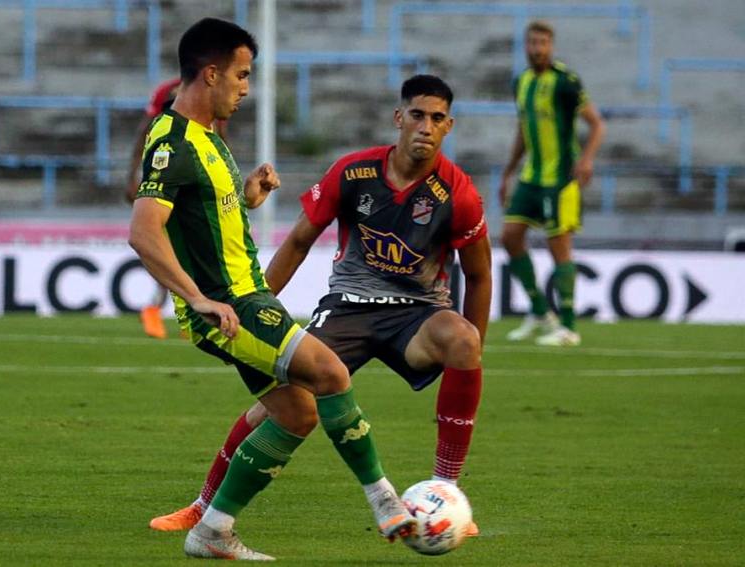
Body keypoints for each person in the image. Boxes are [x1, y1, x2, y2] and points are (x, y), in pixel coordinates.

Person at [148, 74, 492, 539]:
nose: (425, 127)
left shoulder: (459, 193)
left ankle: (447, 494)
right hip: (348, 307)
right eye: (417, 115)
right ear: (399, 118)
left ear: (448, 126)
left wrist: (476, 347)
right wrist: (256, 310)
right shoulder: (353, 173)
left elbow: (479, 274)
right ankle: (203, 505)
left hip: (418, 314)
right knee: (282, 405)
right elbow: (298, 241)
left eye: (436, 118)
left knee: (463, 341)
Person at [129, 18, 416, 560]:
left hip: (246, 296)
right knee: (331, 373)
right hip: (232, 306)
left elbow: (199, 216)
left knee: (297, 413)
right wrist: (197, 299)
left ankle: (212, 530)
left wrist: (246, 196)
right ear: (210, 74)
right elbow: (144, 233)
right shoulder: (172, 141)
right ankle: (386, 502)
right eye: (241, 75)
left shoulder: (209, 138)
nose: (245, 87)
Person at [497, 20, 605, 347]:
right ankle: (541, 312)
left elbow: (597, 124)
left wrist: (586, 160)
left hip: (560, 178)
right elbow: (523, 130)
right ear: (525, 46)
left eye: (543, 43)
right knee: (510, 236)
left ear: (551, 46)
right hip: (531, 176)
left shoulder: (565, 82)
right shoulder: (522, 82)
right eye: (532, 42)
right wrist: (508, 172)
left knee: (559, 247)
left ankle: (569, 327)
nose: (537, 49)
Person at [126, 78, 228, 339]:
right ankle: (160, 308)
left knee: (193, 248)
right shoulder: (169, 91)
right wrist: (132, 176)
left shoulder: (219, 91)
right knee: (167, 244)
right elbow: (144, 131)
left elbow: (219, 136)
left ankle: (186, 314)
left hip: (201, 173)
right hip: (170, 174)